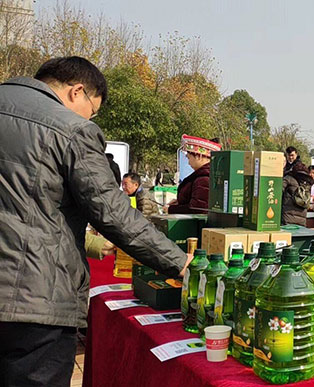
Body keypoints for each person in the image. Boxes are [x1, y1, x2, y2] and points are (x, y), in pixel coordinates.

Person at [0, 56, 190, 386]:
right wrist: (179, 262)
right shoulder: (69, 129)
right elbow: (112, 212)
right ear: (77, 91)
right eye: (94, 109)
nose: (92, 117)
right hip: (34, 303)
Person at [164, 134, 220, 214]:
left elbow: (197, 208)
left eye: (189, 157)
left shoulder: (204, 180)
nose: (188, 162)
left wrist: (171, 209)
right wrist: (179, 202)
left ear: (198, 156)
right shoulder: (202, 177)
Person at [282, 161, 313, 226]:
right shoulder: (307, 183)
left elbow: (277, 192)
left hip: (287, 219)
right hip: (302, 222)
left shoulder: (288, 179)